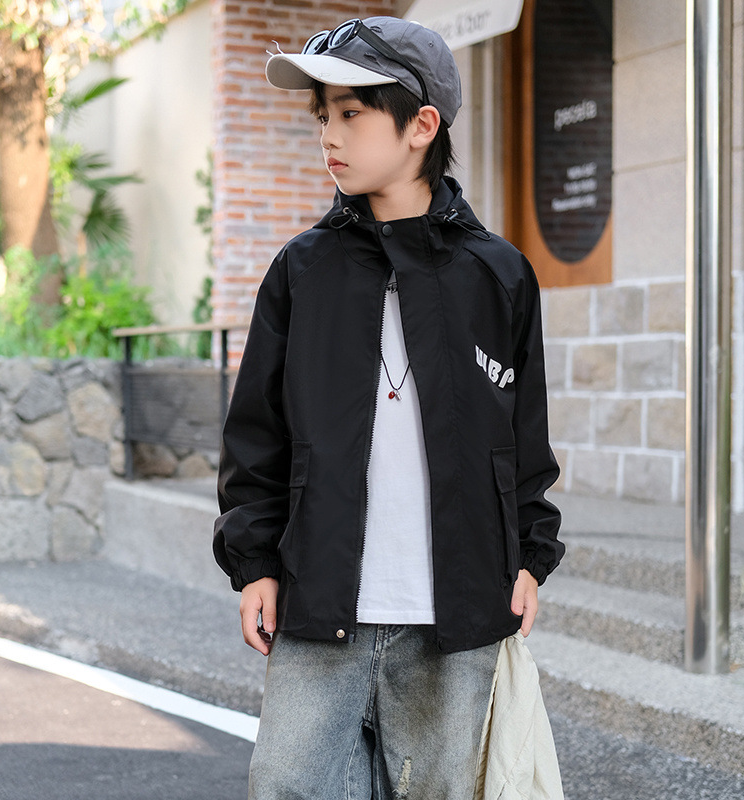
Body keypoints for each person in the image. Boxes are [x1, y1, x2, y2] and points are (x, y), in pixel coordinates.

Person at [213, 15, 564, 799]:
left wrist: (530, 557)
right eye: (323, 115)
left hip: (456, 612)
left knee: (435, 791)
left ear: (421, 126)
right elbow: (257, 435)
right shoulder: (302, 271)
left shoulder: (499, 275)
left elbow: (524, 437)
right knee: (286, 786)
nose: (329, 135)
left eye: (351, 112)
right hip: (319, 599)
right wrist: (255, 563)